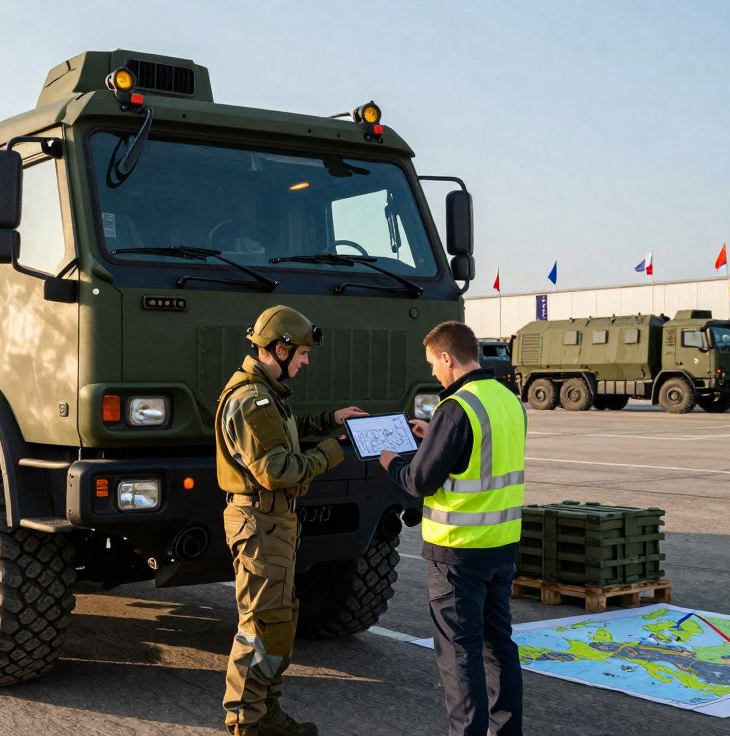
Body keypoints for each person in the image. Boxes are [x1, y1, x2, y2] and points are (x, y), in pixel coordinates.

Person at [216, 305, 367, 736]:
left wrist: (329, 421)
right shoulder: (252, 399)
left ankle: (265, 712)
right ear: (279, 350)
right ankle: (248, 721)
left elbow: (286, 432)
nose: (303, 361)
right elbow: (277, 470)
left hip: (271, 519)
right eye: (300, 353)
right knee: (263, 624)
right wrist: (332, 452)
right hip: (261, 519)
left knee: (278, 619)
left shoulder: (265, 395)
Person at [378, 320, 525, 736]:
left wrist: (389, 459)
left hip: (458, 551)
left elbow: (418, 482)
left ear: (448, 357)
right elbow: (481, 453)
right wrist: (434, 437)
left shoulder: (455, 408)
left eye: (433, 364)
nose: (432, 373)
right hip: (501, 544)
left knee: (459, 654)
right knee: (499, 647)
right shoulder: (506, 398)